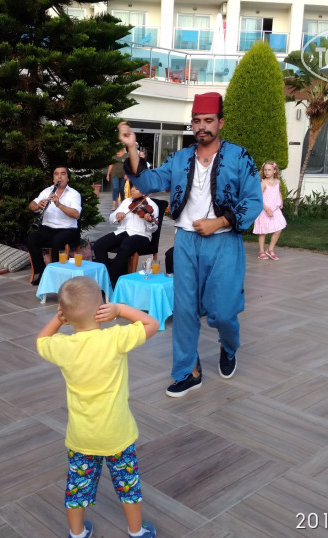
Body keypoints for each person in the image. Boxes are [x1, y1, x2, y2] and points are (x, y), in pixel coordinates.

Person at [118, 92, 263, 398]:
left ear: (220, 123)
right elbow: (148, 181)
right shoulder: (180, 159)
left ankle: (229, 346)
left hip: (224, 241)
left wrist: (219, 221)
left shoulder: (240, 157)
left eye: (208, 120)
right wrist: (132, 147)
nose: (202, 127)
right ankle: (188, 371)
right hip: (185, 240)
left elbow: (253, 201)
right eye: (196, 121)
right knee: (184, 310)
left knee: (224, 312)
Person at [36, 276, 159, 538]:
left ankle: (76, 536)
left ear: (66, 315)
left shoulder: (63, 347)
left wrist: (58, 319)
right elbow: (152, 323)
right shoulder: (115, 338)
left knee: (77, 487)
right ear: (102, 308)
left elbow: (41, 340)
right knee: (128, 485)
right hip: (117, 434)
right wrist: (120, 309)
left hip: (81, 437)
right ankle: (137, 535)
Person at [93, 182, 158, 286]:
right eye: (132, 187)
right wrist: (117, 215)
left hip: (141, 235)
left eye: (136, 188)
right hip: (123, 231)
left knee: (126, 245)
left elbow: (154, 229)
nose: (132, 190)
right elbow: (111, 218)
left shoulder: (152, 206)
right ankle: (106, 275)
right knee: (99, 244)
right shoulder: (127, 201)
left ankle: (110, 277)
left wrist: (149, 222)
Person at [26, 165, 82, 285]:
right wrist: (37, 206)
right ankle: (42, 272)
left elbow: (76, 214)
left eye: (63, 174)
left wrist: (59, 204)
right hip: (48, 228)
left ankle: (56, 274)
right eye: (56, 174)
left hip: (68, 229)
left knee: (57, 240)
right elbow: (31, 205)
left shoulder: (74, 194)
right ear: (53, 178)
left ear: (68, 178)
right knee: (31, 239)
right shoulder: (47, 191)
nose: (59, 177)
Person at [253, 160, 286, 261]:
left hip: (275, 209)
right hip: (265, 210)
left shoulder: (278, 182)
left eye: (269, 170)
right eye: (265, 170)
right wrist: (267, 209)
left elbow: (278, 192)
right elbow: (259, 198)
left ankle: (270, 249)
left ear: (274, 171)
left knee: (278, 229)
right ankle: (261, 251)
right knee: (263, 231)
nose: (267, 172)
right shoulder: (263, 183)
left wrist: (281, 201)